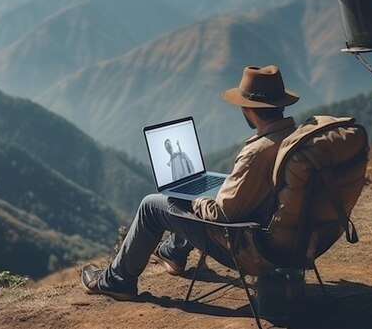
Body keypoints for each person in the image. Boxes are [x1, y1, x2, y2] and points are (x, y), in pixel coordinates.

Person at [81, 65, 300, 301]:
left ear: (247, 108)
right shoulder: (292, 138)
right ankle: (173, 252)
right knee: (199, 195)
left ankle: (117, 281)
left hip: (249, 247)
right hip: (284, 240)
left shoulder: (257, 152)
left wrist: (197, 198)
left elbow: (220, 215)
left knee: (151, 206)